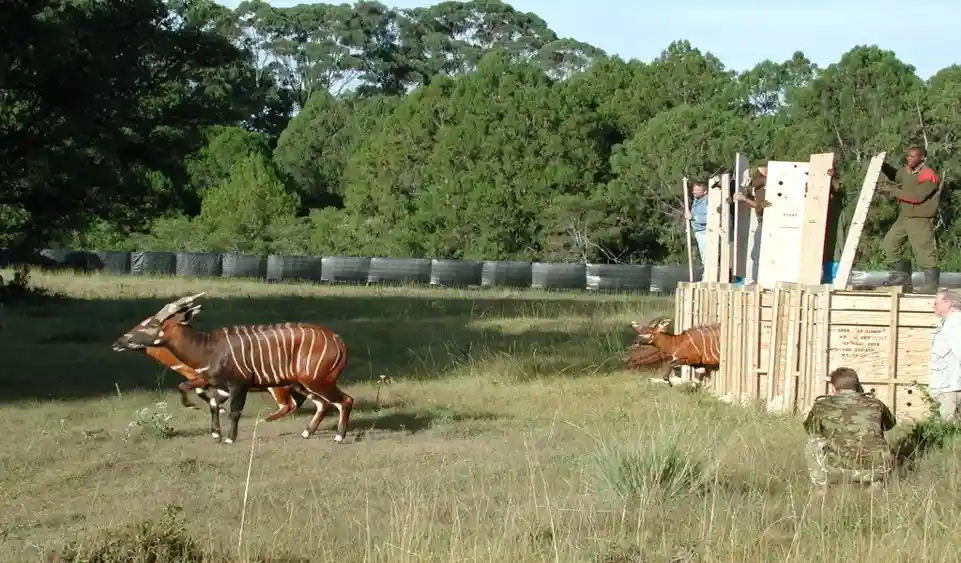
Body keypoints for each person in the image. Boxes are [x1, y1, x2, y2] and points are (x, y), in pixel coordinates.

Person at [802, 367, 896, 495]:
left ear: (833, 388)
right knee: (880, 437)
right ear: (858, 386)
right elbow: (889, 425)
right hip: (873, 471)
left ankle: (822, 488)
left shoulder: (821, 405)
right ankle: (874, 484)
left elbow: (811, 430)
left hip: (834, 470)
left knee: (814, 441)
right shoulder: (876, 404)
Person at [877, 146, 942, 293]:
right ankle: (903, 279)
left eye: (913, 156)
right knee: (889, 244)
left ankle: (931, 286)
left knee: (924, 252)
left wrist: (893, 191)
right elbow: (895, 175)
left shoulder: (928, 175)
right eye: (908, 156)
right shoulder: (907, 170)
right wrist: (883, 165)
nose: (909, 159)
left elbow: (917, 197)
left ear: (922, 158)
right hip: (905, 217)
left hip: (920, 218)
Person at [733, 167, 771, 282]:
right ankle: (756, 280)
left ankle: (759, 280)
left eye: (753, 180)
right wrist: (743, 198)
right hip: (761, 222)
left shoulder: (771, 185)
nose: (752, 183)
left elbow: (762, 206)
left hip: (768, 222)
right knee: (756, 255)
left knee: (758, 254)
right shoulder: (756, 188)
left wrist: (744, 199)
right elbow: (755, 204)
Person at [929, 290, 961, 422]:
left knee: (948, 430)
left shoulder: (955, 322)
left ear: (947, 303)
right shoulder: (950, 322)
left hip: (952, 389)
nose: (933, 305)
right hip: (949, 387)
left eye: (936, 303)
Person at [685, 181, 708, 266]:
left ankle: (707, 275)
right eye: (694, 190)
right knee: (703, 255)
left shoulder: (706, 202)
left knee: (706, 256)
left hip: (705, 233)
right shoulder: (696, 200)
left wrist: (693, 217)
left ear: (705, 192)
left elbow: (710, 218)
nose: (694, 192)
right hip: (699, 232)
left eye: (697, 190)